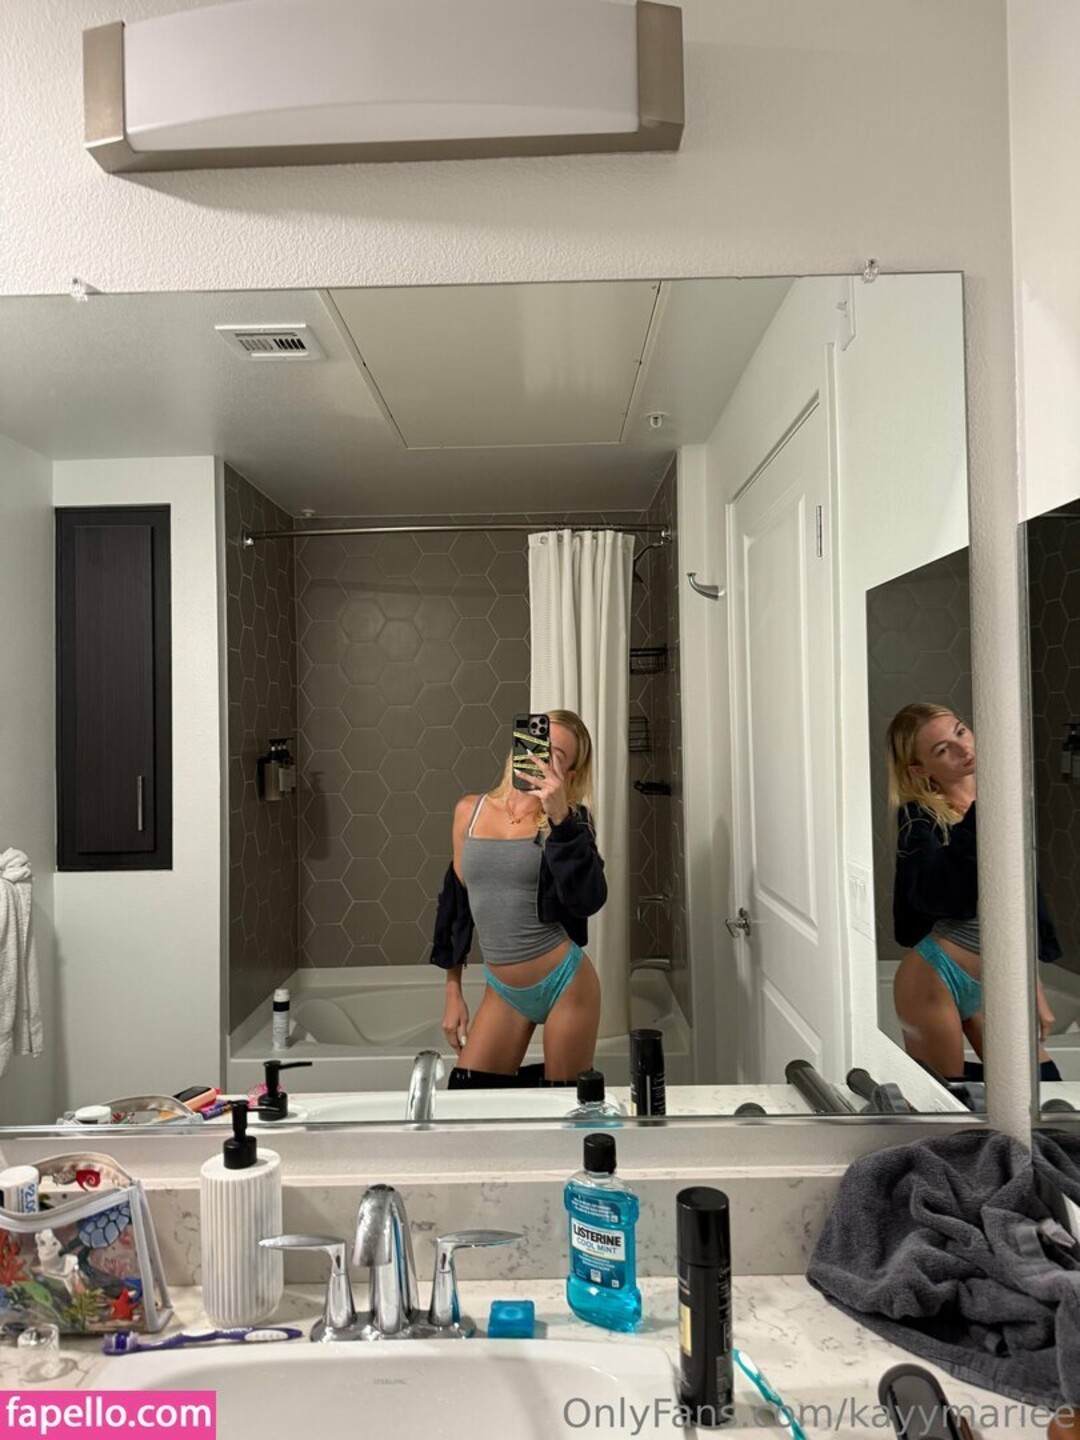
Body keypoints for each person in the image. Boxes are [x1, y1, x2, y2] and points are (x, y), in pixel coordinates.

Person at [886, 701, 1061, 1082]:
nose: (963, 748)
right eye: (942, 750)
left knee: (1042, 1085)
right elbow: (935, 894)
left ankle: (902, 1078)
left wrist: (1032, 984)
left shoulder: (1005, 807)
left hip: (997, 977)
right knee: (948, 1096)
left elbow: (1017, 908)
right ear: (920, 770)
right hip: (937, 975)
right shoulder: (919, 818)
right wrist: (980, 814)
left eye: (961, 732)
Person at [429, 709, 606, 1084]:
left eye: (556, 755)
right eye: (539, 743)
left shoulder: (571, 823)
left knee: (562, 1102)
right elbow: (456, 906)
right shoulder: (470, 811)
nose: (542, 757)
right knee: (469, 1098)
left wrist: (560, 819)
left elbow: (587, 899)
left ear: (569, 776)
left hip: (565, 983)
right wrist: (453, 990)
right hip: (503, 992)